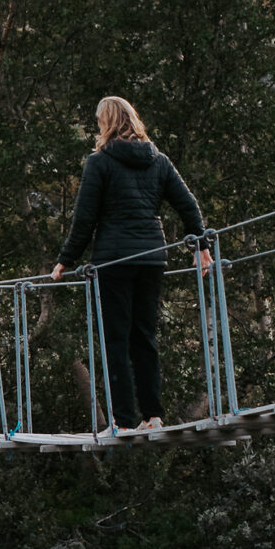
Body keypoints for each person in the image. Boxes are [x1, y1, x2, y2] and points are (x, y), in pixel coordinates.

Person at [51, 97, 212, 432]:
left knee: (116, 341)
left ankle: (123, 422)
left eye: (99, 121)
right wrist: (201, 246)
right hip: (153, 258)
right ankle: (153, 417)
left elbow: (85, 219)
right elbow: (187, 204)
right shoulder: (159, 160)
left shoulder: (100, 162)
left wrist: (65, 260)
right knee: (144, 337)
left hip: (114, 260)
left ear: (106, 123)